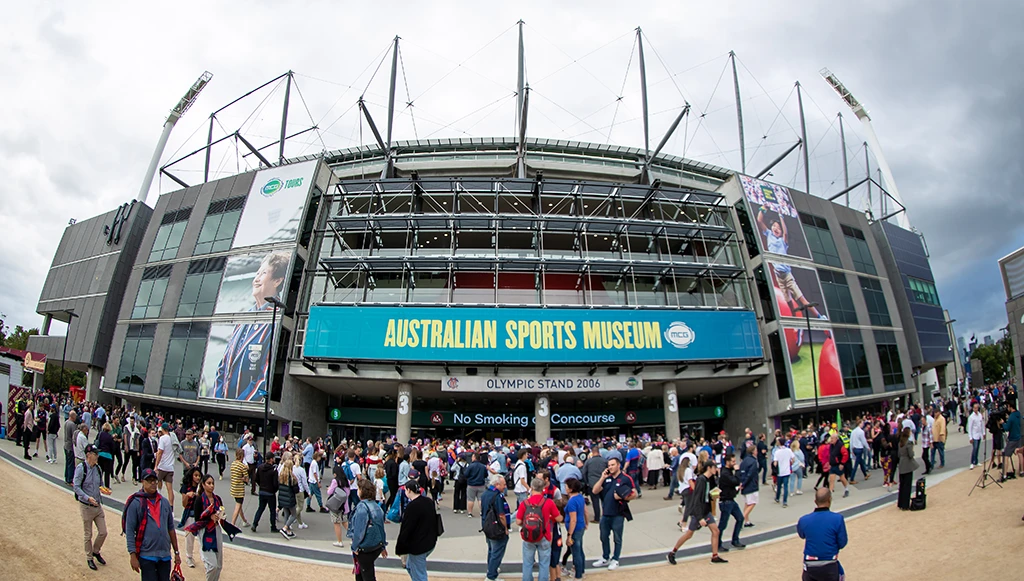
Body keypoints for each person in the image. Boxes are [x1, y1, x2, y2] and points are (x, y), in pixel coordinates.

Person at [212, 251, 289, 401]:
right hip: (224, 403)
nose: (256, 279)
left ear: (277, 281)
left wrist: (238, 405)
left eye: (263, 273)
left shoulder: (276, 318)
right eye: (257, 273)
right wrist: (218, 400)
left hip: (242, 405)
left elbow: (265, 376)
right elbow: (223, 365)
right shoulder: (245, 317)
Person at [667, 460, 728, 565]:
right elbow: (697, 499)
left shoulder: (709, 479)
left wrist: (713, 495)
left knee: (715, 531)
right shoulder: (701, 480)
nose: (716, 469)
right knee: (689, 534)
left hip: (705, 511)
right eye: (714, 467)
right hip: (699, 512)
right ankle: (672, 552)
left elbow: (706, 495)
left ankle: (715, 556)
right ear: (709, 468)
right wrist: (700, 518)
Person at [126, 469, 182, 581]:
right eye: (149, 480)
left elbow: (171, 528)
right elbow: (130, 530)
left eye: (154, 480)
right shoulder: (135, 503)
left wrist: (176, 552)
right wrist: (133, 555)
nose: (153, 483)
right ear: (143, 482)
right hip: (146, 555)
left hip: (165, 555)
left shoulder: (165, 502)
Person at [591, 457, 635, 570]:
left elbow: (634, 493)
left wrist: (623, 497)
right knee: (604, 536)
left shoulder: (626, 478)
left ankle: (615, 559)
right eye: (609, 465)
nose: (610, 467)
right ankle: (605, 557)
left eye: (612, 465)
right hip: (606, 513)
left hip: (618, 513)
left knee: (617, 538)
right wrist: (602, 477)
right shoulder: (607, 479)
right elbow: (595, 491)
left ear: (618, 465)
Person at [517, 477, 563, 581]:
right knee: (544, 564)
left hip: (528, 536)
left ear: (532, 488)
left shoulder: (525, 503)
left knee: (527, 564)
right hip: (544, 535)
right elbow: (558, 518)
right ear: (543, 488)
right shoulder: (549, 502)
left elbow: (518, 521)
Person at [796, 488, 848, 581]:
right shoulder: (837, 519)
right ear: (830, 499)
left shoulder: (804, 520)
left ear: (815, 501)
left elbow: (802, 535)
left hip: (810, 564)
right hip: (830, 563)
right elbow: (842, 542)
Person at [184, 474, 225, 580]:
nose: (211, 486)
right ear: (203, 485)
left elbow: (222, 512)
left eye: (212, 483)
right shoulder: (199, 500)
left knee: (219, 564)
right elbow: (198, 519)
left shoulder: (217, 499)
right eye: (209, 483)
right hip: (205, 531)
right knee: (212, 565)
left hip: (216, 529)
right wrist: (209, 517)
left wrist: (220, 516)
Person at [74, 444, 108, 571]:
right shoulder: (81, 468)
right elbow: (76, 486)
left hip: (97, 505)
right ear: (88, 455)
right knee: (88, 534)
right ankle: (89, 557)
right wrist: (87, 497)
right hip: (86, 506)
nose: (97, 456)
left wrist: (103, 490)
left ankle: (95, 550)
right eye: (95, 454)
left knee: (103, 532)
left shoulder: (98, 468)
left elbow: (100, 484)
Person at [396, 480, 438, 581]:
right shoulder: (428, 501)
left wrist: (400, 548)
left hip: (418, 546)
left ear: (409, 490)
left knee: (419, 574)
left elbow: (406, 529)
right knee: (411, 566)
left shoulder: (412, 506)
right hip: (430, 541)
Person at [349, 478, 389, 581]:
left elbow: (359, 531)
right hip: (376, 546)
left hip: (364, 547)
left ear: (362, 490)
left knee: (367, 575)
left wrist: (355, 547)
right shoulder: (376, 506)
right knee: (363, 573)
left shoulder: (362, 507)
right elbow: (381, 528)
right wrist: (383, 545)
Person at [716, 453, 746, 551]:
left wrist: (736, 490)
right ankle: (717, 543)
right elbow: (735, 481)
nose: (734, 463)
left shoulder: (728, 472)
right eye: (733, 461)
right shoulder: (725, 473)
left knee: (740, 518)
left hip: (730, 500)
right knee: (723, 524)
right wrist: (737, 471)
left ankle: (735, 540)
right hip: (726, 501)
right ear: (727, 462)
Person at [564, 478, 587, 579]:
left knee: (576, 553)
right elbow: (585, 511)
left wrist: (569, 535)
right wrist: (586, 522)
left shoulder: (572, 501)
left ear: (570, 489)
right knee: (579, 550)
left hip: (575, 528)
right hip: (580, 526)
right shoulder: (580, 497)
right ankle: (581, 571)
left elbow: (573, 519)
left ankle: (578, 576)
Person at [251, 453, 279, 533]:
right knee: (272, 510)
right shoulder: (273, 470)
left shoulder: (260, 468)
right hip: (270, 492)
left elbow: (256, 479)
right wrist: (274, 490)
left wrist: (261, 485)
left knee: (260, 508)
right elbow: (275, 484)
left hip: (262, 491)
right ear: (271, 459)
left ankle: (255, 524)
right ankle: (273, 526)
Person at [896, 427, 919, 510]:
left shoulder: (900, 443)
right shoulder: (908, 443)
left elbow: (899, 454)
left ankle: (901, 503)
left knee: (902, 485)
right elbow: (911, 454)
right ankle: (905, 504)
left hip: (902, 464)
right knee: (907, 486)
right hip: (907, 465)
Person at [154, 424, 177, 508]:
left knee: (157, 483)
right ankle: (171, 507)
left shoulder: (162, 438)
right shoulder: (173, 438)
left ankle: (157, 501)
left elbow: (160, 452)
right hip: (170, 466)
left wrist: (156, 465)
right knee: (170, 489)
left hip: (162, 465)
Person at [581, 450, 607, 522]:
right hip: (603, 483)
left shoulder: (588, 461)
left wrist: (587, 482)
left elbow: (584, 472)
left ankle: (597, 518)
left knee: (595, 502)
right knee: (604, 500)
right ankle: (606, 515)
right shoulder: (604, 460)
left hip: (592, 484)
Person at [278, 456, 300, 539]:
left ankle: (288, 531)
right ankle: (285, 528)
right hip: (290, 498)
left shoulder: (281, 476)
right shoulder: (292, 478)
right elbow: (296, 490)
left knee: (286, 513)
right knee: (294, 514)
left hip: (282, 497)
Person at [737, 444, 759, 527]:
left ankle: (747, 521)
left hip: (745, 485)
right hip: (751, 485)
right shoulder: (753, 461)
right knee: (753, 502)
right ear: (753, 451)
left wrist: (741, 482)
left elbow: (740, 472)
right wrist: (745, 482)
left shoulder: (744, 461)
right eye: (756, 450)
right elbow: (751, 474)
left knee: (747, 503)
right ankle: (741, 519)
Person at [228, 449, 250, 527]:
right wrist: (243, 478)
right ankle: (233, 523)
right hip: (240, 489)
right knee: (238, 506)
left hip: (233, 487)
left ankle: (244, 520)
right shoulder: (242, 466)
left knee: (239, 505)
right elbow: (247, 479)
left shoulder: (233, 464)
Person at [1001, 401, 1022, 480]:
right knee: (1020, 454)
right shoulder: (1018, 414)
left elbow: (1006, 428)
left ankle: (1004, 475)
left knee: (1006, 455)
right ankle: (1021, 471)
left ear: (1010, 407)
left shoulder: (1011, 417)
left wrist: (1003, 423)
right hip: (1018, 436)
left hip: (1012, 438)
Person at [464, 452, 489, 518]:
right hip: (481, 484)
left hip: (471, 484)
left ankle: (470, 512)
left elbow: (466, 474)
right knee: (480, 499)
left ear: (474, 457)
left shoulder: (470, 466)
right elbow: (486, 475)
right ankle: (482, 511)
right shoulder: (483, 466)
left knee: (470, 499)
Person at [773, 438, 794, 507]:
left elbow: (775, 463)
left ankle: (777, 498)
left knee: (779, 486)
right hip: (787, 471)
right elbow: (793, 458)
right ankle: (785, 501)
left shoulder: (777, 452)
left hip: (780, 471)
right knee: (785, 486)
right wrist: (790, 463)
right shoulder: (788, 450)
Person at [63, 410, 79, 485]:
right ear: (73, 416)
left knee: (67, 462)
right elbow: (74, 436)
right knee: (71, 464)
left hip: (65, 444)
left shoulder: (66, 422)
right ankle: (69, 479)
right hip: (70, 446)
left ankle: (66, 477)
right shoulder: (72, 424)